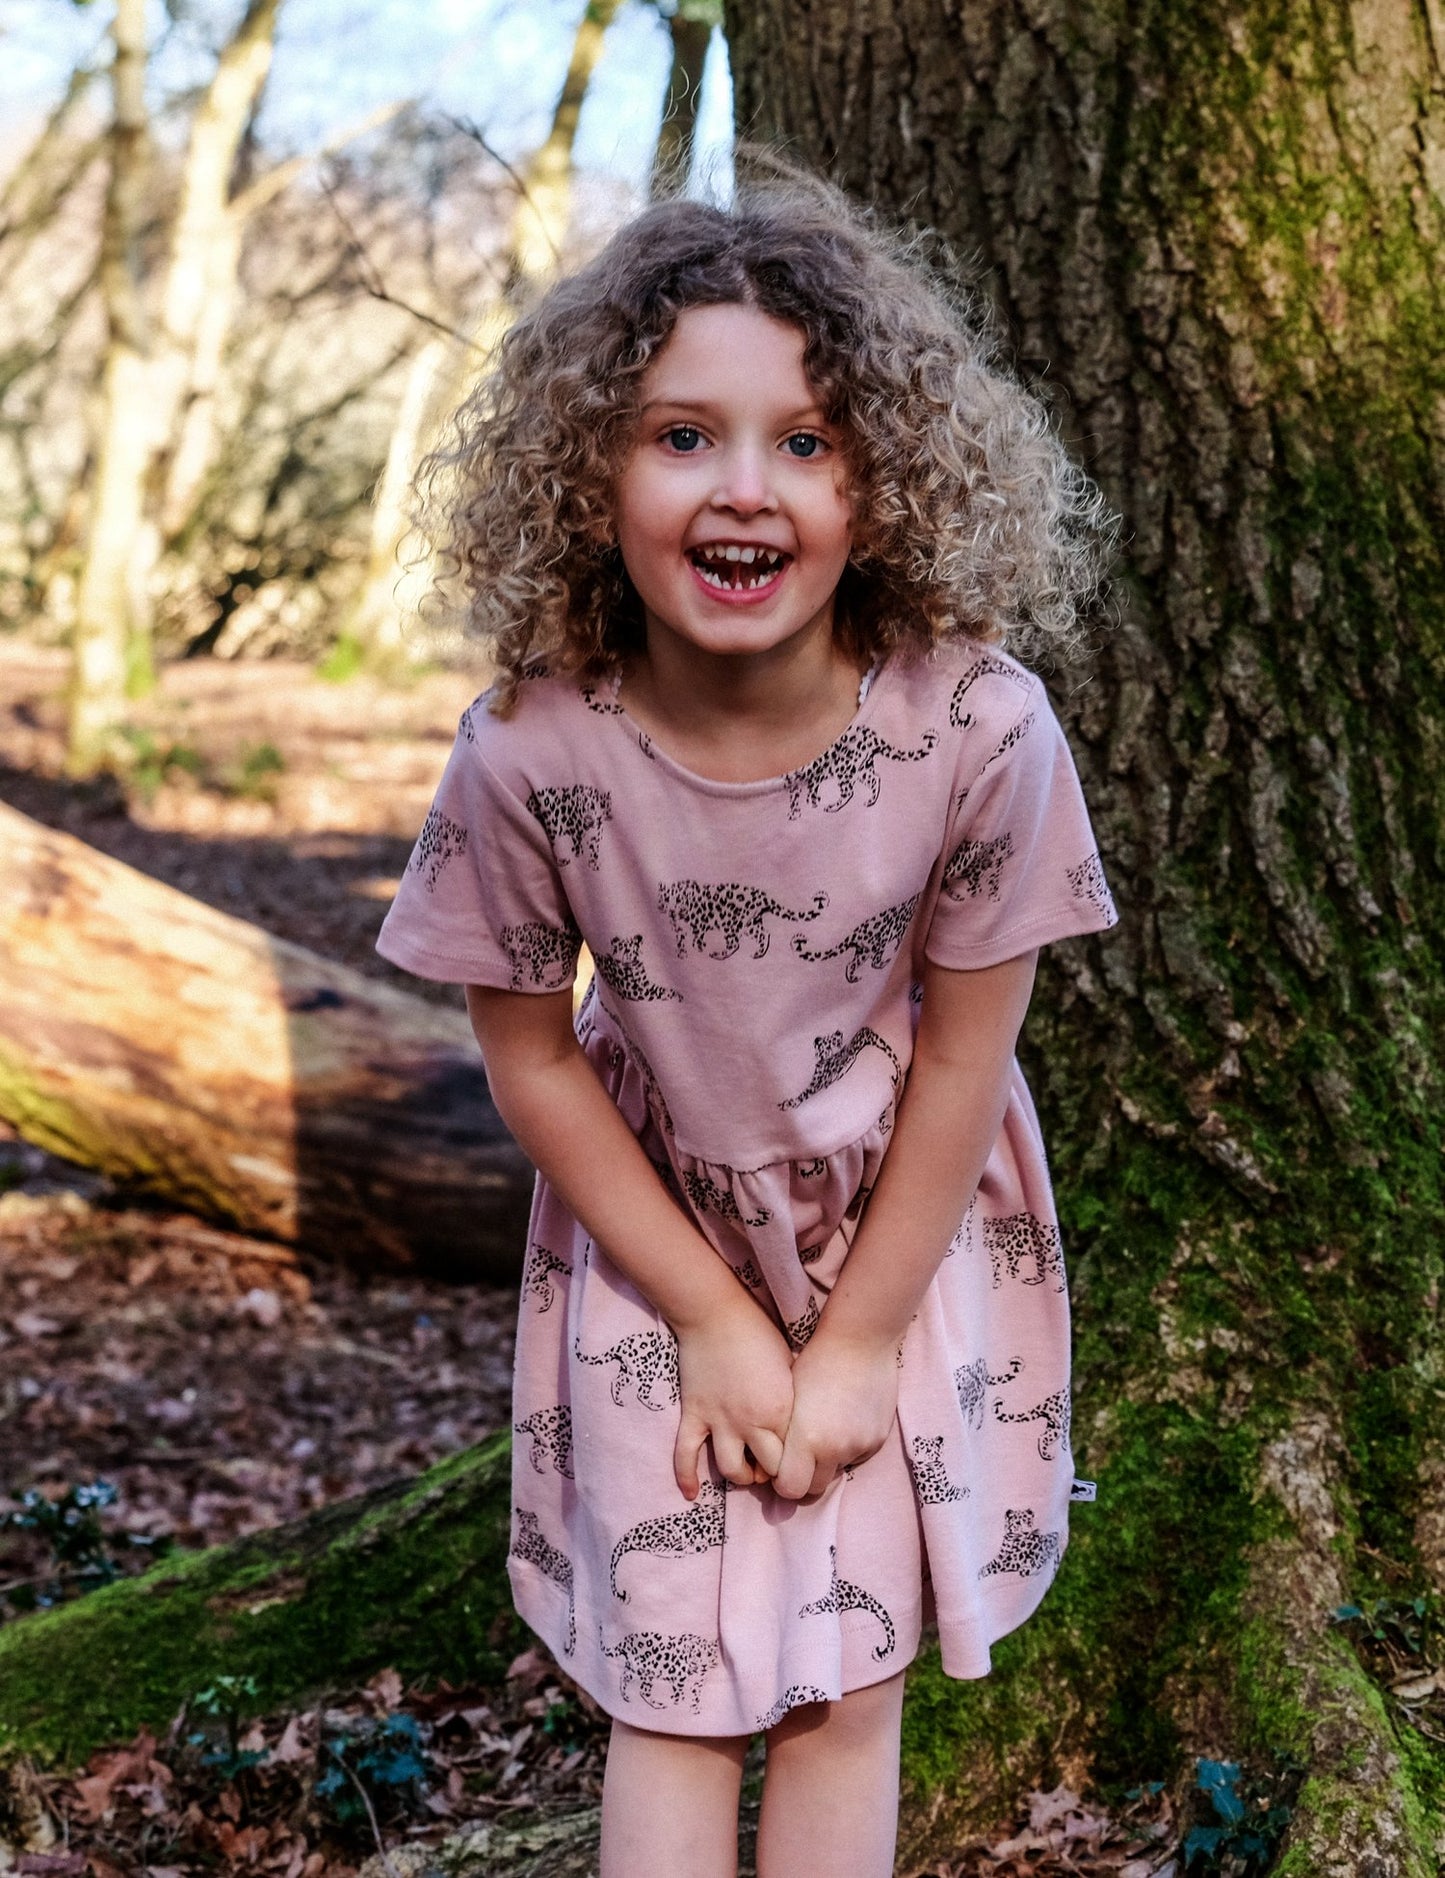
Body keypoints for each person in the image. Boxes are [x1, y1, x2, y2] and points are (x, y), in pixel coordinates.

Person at [376, 161, 1117, 1878]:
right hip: (649, 1245)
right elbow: (531, 1050)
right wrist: (710, 1316)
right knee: (673, 1683)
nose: (745, 487)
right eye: (679, 434)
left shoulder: (980, 726)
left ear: (888, 473)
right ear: (587, 471)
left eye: (806, 438)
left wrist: (853, 1339)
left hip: (902, 1236)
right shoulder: (528, 747)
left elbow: (963, 1049)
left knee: (842, 1687)